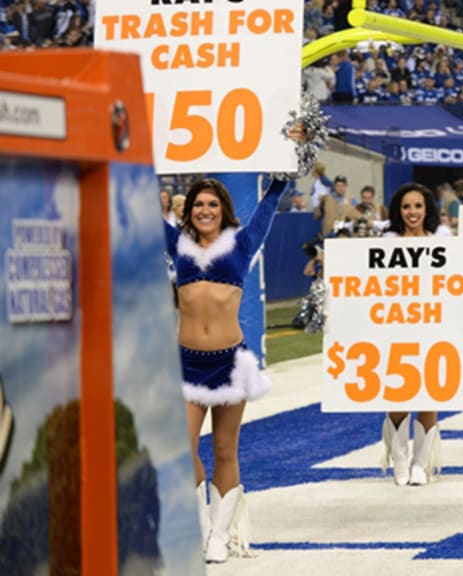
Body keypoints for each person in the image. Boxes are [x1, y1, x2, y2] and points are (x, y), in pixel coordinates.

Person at [163, 176, 289, 563]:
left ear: (224, 211)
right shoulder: (177, 244)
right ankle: (200, 527)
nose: (205, 211)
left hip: (231, 363)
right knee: (183, 449)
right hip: (187, 364)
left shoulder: (242, 243)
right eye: (199, 204)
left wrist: (281, 180)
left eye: (212, 205)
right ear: (188, 210)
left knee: (224, 449)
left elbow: (267, 208)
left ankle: (219, 535)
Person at [381, 183, 448, 485]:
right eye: (406, 206)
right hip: (395, 326)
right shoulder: (387, 241)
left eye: (418, 206)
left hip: (433, 326)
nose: (412, 212)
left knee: (429, 392)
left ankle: (422, 462)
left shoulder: (442, 240)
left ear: (427, 209)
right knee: (398, 392)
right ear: (398, 210)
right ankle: (399, 459)